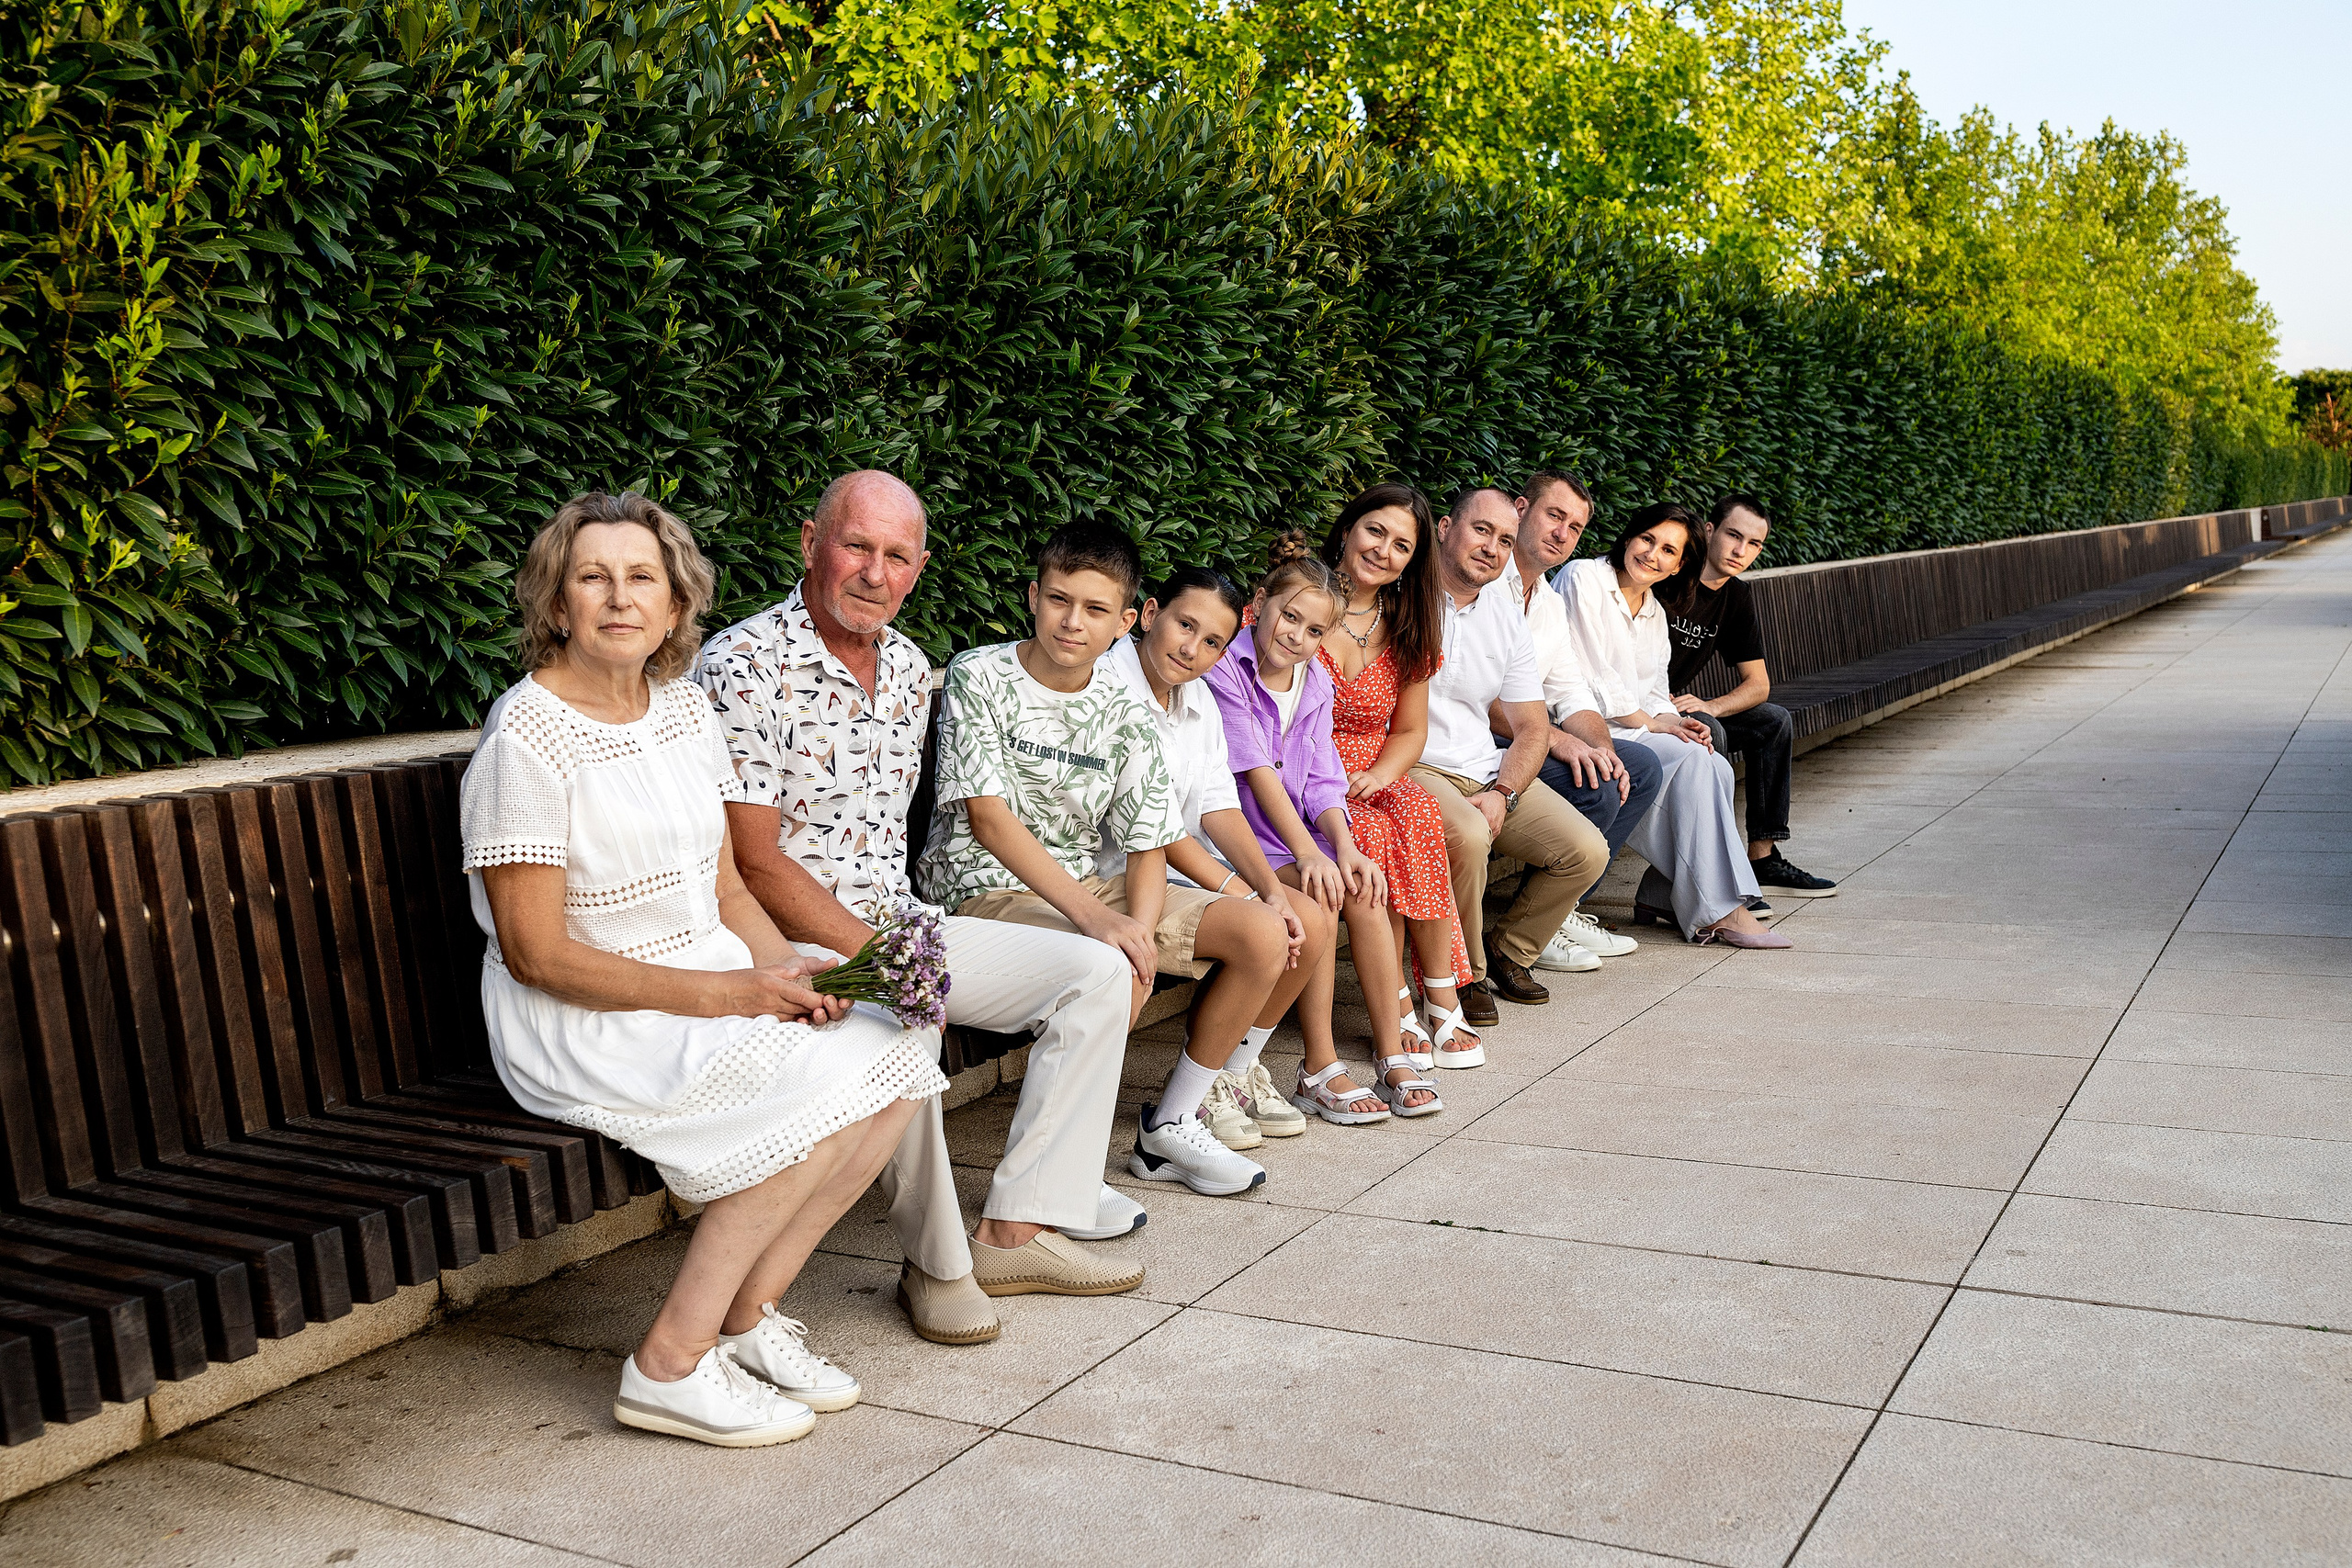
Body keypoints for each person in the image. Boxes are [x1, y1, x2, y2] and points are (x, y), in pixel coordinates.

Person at [465, 490, 940, 1448]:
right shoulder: (525, 737)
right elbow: (537, 954)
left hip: (707, 970)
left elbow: (726, 887)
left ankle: (747, 1318)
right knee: (809, 1100)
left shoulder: (682, 711)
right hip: (584, 1013)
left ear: (676, 607)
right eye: (590, 577)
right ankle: (669, 1366)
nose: (618, 598)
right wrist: (736, 994)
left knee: (892, 1059)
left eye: (642, 578)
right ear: (555, 603)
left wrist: (787, 978)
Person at [700, 473, 1142, 1348]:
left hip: (900, 920)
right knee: (903, 1016)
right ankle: (938, 1264)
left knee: (1097, 972)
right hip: (781, 937)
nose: (873, 571)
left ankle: (1018, 1230)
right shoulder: (741, 664)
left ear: (919, 568)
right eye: (855, 546)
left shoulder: (907, 668)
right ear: (809, 542)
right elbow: (753, 857)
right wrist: (886, 959)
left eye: (895, 556)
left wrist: (906, 948)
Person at [917, 520, 1276, 1202]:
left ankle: (1170, 1122)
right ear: (1032, 595)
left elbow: (1146, 844)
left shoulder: (1127, 709)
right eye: (1059, 600)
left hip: (1087, 886)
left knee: (1260, 933)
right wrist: (1106, 930)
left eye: (1094, 609)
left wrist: (1137, 929)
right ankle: (1059, 1174)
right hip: (983, 891)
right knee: (1107, 965)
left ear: (1123, 621)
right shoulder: (980, 673)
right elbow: (989, 821)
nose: (1072, 622)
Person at [1206, 539, 1442, 1122]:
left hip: (1290, 835)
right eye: (1289, 617)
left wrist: (1345, 847)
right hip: (1237, 837)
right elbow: (1258, 774)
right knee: (1323, 888)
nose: (1297, 637)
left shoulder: (1311, 681)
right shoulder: (1227, 671)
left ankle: (1390, 1051)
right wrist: (1313, 855)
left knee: (1361, 880)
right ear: (1257, 605)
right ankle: (1319, 1064)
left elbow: (1320, 779)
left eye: (1314, 632)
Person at [1098, 566, 1323, 1148]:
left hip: (1170, 869)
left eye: (1213, 641)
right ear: (1150, 616)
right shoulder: (1107, 686)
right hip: (1115, 872)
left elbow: (1220, 806)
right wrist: (1245, 894)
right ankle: (1178, 1116)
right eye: (1184, 626)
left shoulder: (1195, 695)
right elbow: (1151, 826)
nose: (1193, 649)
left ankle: (1232, 1073)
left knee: (1311, 918)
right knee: (1264, 932)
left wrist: (1271, 889)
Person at [1408, 487, 1612, 1017]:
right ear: (1446, 527)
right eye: (1481, 530)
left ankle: (1509, 949)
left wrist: (1503, 791)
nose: (1492, 548)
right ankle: (1463, 975)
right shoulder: (1403, 597)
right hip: (1412, 764)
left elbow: (1531, 727)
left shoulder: (1505, 618)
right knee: (1470, 837)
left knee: (1586, 851)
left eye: (1503, 539)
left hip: (1481, 767)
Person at [1556, 502, 1792, 948]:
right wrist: (1654, 723)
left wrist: (1676, 722)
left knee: (1710, 759)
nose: (1652, 555)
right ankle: (1725, 909)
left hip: (1630, 725)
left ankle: (1666, 891)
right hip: (1579, 725)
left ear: (1679, 563)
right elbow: (1591, 675)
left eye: (1668, 550)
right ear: (1629, 537)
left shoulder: (1653, 610)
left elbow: (1653, 689)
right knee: (1695, 763)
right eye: (1648, 540)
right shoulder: (1584, 578)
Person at [1312, 483, 1487, 1066]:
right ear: (1348, 529)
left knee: (1417, 811)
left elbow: (1410, 732)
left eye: (1402, 545)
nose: (1384, 550)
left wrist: (1383, 775)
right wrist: (1343, 780)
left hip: (1373, 769)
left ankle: (1440, 991)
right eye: (1375, 531)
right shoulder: (1303, 603)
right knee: (1377, 838)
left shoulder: (1408, 622)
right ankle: (1397, 1001)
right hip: (1308, 770)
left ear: (1413, 560)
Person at [1499, 470, 1663, 969]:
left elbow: (1571, 693)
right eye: (1554, 516)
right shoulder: (1485, 583)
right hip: (1485, 742)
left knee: (1634, 767)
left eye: (1574, 527)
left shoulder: (1547, 601)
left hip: (1523, 733)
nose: (1562, 533)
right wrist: (1554, 740)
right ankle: (1536, 924)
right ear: (1521, 509)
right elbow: (1475, 696)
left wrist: (1603, 749)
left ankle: (1563, 906)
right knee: (1588, 781)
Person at [1663, 494, 1838, 900]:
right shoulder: (1669, 575)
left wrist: (1710, 705)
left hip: (1682, 710)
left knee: (1772, 721)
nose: (1741, 551)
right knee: (1710, 733)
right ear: (1709, 531)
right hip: (1642, 710)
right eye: (1733, 536)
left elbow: (1758, 685)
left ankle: (1763, 858)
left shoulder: (1736, 597)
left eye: (1754, 544)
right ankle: (1716, 871)